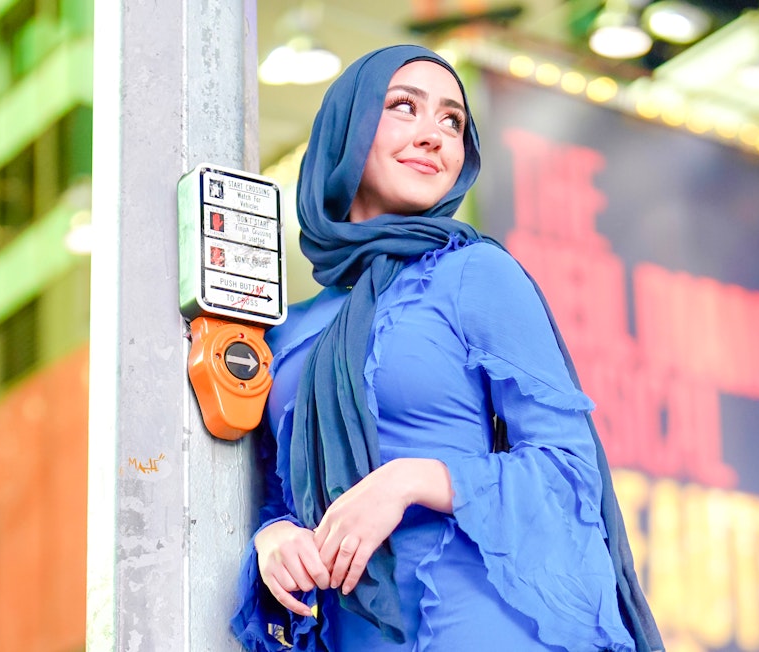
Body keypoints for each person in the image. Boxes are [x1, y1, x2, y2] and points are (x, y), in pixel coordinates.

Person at [230, 44, 662, 652]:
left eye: (452, 121)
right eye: (404, 107)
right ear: (347, 129)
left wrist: (410, 480)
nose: (433, 135)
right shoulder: (286, 333)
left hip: (485, 626)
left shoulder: (474, 273)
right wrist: (273, 538)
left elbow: (567, 474)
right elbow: (273, 491)